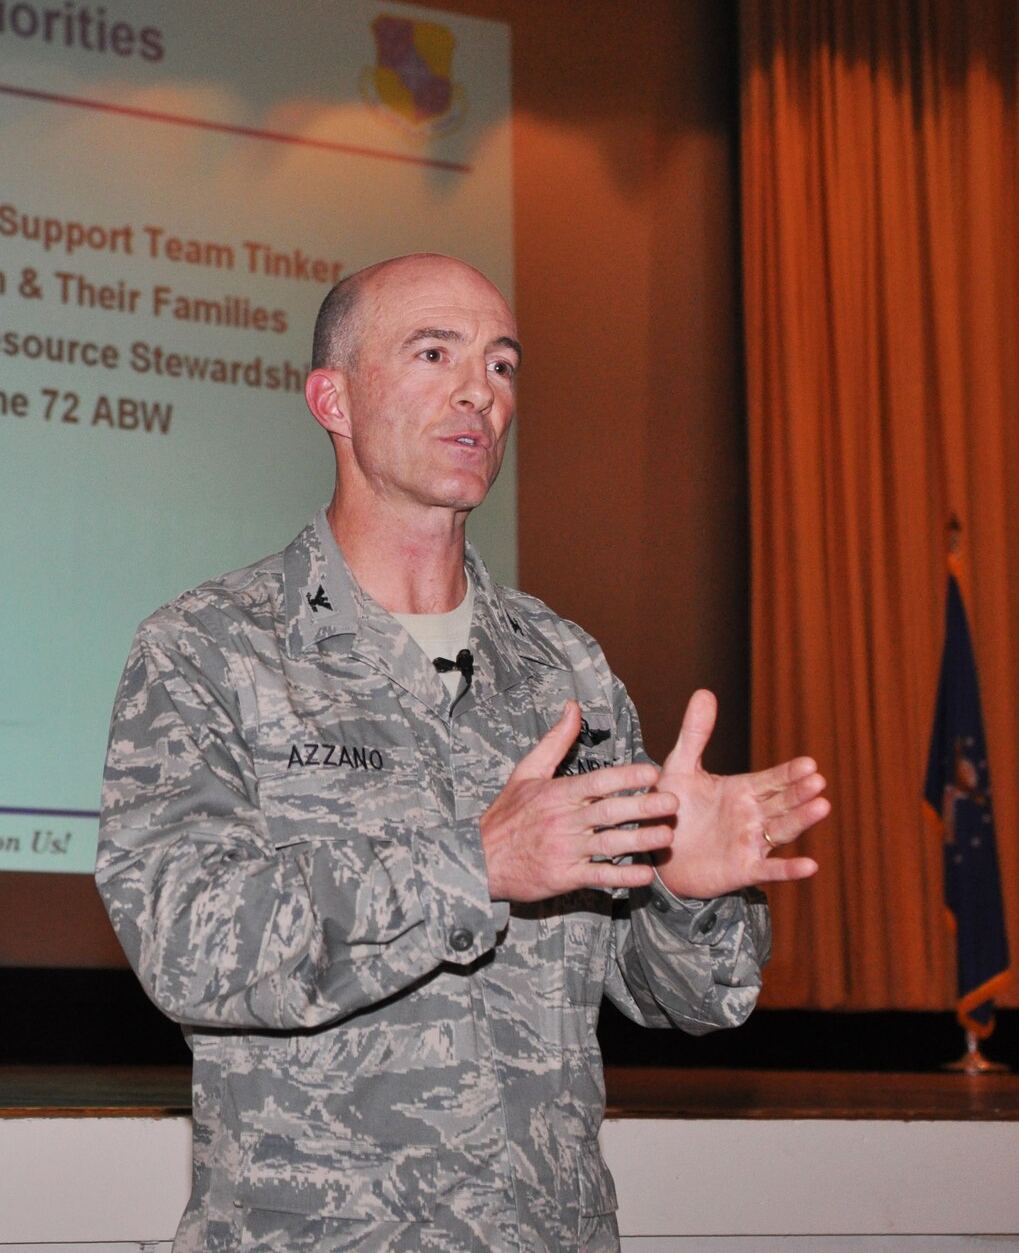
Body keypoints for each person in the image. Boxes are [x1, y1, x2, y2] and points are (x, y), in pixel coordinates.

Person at [96, 254, 830, 1252]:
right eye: (431, 352)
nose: (476, 389)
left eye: (501, 363)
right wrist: (469, 864)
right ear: (332, 398)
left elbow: (682, 998)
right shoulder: (209, 650)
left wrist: (686, 895)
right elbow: (188, 947)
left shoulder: (560, 667)